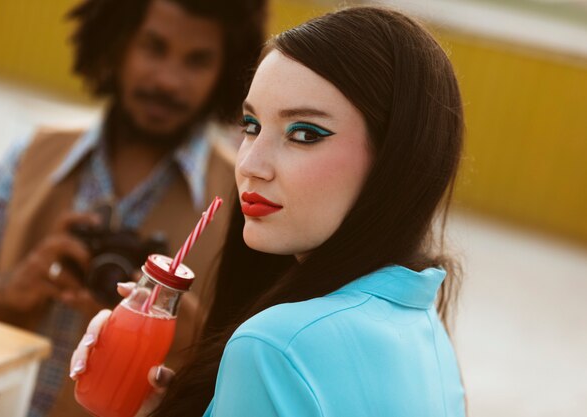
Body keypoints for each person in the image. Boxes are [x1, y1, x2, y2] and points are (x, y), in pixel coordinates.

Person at [71, 5, 466, 416]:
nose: (249, 165)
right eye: (251, 126)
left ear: (396, 158)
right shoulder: (430, 336)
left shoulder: (273, 345)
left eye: (304, 134)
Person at [0, 0, 266, 416]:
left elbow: (249, 386)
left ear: (226, 69)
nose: (168, 81)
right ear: (117, 42)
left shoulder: (243, 200)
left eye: (197, 61)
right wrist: (9, 291)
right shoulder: (31, 155)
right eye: (154, 47)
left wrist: (191, 338)